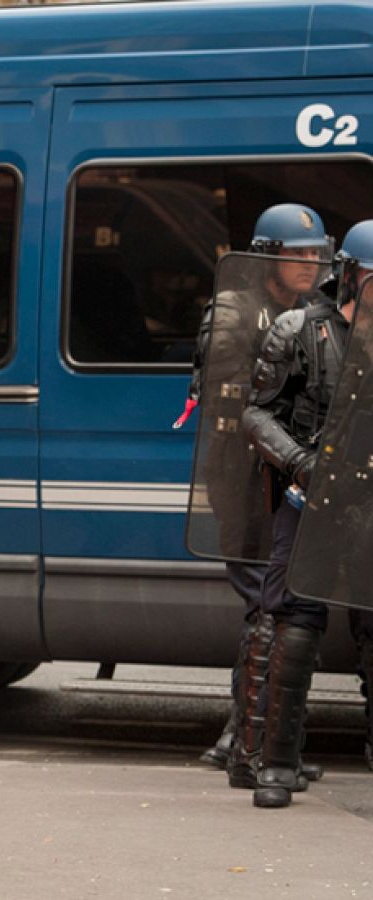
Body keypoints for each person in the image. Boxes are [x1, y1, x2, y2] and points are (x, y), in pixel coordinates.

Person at [185, 205, 332, 786]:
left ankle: (255, 740)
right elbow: (229, 395)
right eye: (297, 253)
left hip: (284, 477)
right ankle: (248, 742)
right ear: (268, 255)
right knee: (265, 606)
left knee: (275, 607)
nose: (309, 262)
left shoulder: (306, 312)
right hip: (244, 476)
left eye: (315, 252)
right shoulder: (234, 309)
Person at [239, 218, 372, 809]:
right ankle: (276, 764)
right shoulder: (299, 330)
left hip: (368, 500)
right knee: (294, 623)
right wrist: (297, 462)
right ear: (350, 276)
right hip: (310, 492)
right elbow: (255, 413)